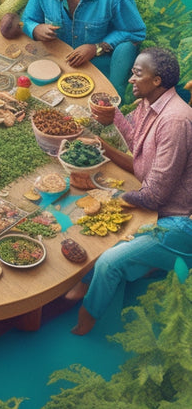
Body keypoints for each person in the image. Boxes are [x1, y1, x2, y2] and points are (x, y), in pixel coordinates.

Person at [67, 47, 192, 335]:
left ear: (157, 80)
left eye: (137, 74)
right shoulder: (150, 102)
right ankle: (90, 278)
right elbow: (139, 153)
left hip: (176, 221)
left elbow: (154, 197)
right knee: (85, 210)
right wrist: (109, 129)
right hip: (152, 203)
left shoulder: (175, 122)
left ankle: (87, 317)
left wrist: (109, 198)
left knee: (110, 260)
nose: (131, 79)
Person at [22, 0, 146, 99]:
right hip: (56, 57)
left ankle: (114, 98)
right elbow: (27, 19)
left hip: (98, 62)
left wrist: (97, 48)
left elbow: (135, 32)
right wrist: (35, 29)